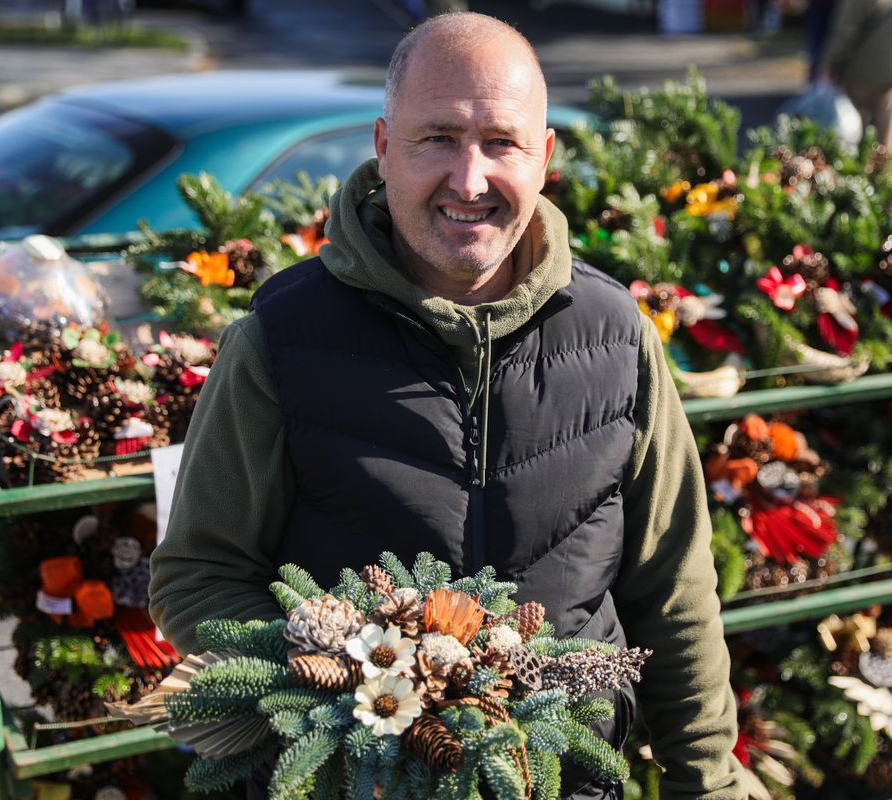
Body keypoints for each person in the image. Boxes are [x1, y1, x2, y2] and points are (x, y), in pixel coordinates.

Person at [149, 12, 741, 800]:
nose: (469, 180)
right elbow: (199, 574)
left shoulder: (617, 337)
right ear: (384, 145)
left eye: (502, 141)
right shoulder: (279, 340)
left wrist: (709, 780)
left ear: (545, 157)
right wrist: (342, 717)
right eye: (437, 138)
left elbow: (673, 588)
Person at [821, 0, 892, 151]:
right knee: (889, 126)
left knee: (854, 124)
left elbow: (845, 32)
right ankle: (885, 167)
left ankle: (856, 165)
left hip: (861, 68)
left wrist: (830, 64)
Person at [805, 0, 838, 82]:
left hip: (836, 7)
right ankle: (816, 81)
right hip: (818, 7)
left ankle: (828, 80)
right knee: (817, 47)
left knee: (835, 45)